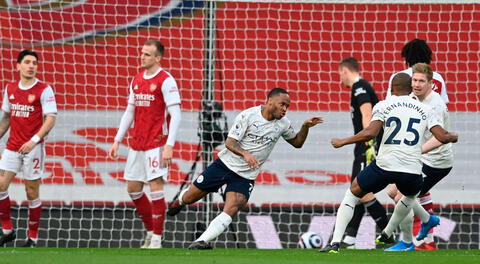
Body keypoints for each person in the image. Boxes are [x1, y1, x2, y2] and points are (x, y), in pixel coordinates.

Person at [167, 88, 323, 250]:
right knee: (190, 197)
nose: (285, 109)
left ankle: (201, 241)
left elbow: (297, 143)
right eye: (282, 104)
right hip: (224, 166)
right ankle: (179, 201)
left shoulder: (283, 124)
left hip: (245, 176)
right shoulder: (248, 116)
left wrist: (305, 127)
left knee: (233, 207)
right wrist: (245, 154)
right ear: (270, 101)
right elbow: (230, 143)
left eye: (287, 106)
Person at [319, 72, 458, 253]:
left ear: (392, 89)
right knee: (409, 196)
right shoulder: (425, 109)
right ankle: (390, 232)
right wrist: (453, 136)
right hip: (412, 169)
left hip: (385, 165)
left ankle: (336, 242)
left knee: (353, 193)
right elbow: (441, 136)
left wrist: (343, 141)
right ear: (411, 90)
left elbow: (370, 132)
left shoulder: (384, 105)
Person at [108, 40, 182, 249]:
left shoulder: (166, 80)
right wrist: (117, 139)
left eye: (148, 55)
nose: (142, 57)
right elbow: (130, 111)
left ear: (158, 58)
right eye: (142, 53)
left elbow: (176, 114)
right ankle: (151, 230)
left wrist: (169, 145)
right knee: (133, 188)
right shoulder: (137, 79)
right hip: (137, 143)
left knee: (155, 187)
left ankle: (157, 238)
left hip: (156, 143)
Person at [385, 63, 454, 251]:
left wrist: (415, 152)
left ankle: (407, 242)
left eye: (421, 81)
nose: (416, 84)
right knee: (393, 193)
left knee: (401, 196)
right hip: (421, 158)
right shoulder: (413, 98)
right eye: (414, 80)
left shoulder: (436, 104)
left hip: (437, 161)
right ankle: (427, 219)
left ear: (431, 84)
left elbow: (440, 139)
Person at [0, 50, 57, 247]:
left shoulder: (44, 89)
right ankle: (7, 231)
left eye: (35, 63)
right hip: (12, 146)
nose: (31, 66)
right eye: (27, 62)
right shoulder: (10, 89)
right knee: (0, 186)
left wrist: (34, 140)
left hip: (33, 149)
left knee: (31, 192)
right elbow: (6, 117)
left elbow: (50, 119)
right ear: (18, 66)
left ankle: (32, 237)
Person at [337, 57, 389, 248]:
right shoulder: (361, 87)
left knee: (362, 190)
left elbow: (367, 114)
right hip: (364, 145)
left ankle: (388, 233)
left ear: (345, 70)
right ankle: (350, 239)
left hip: (367, 145)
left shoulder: (359, 87)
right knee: (356, 190)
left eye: (340, 74)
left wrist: (369, 143)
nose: (340, 79)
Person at [387, 38, 448, 103]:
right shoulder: (437, 77)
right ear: (427, 56)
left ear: (407, 56)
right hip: (430, 112)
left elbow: (389, 102)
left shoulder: (397, 77)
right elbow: (444, 103)